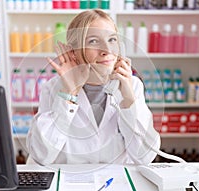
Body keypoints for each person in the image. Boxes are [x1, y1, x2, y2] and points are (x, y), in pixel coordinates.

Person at [27, 9, 161, 165]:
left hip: (118, 183)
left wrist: (129, 100)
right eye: (93, 41)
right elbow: (41, 155)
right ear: (73, 52)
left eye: (112, 40)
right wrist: (69, 93)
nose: (107, 50)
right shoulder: (54, 88)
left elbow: (145, 157)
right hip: (68, 183)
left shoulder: (132, 85)